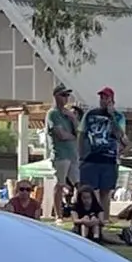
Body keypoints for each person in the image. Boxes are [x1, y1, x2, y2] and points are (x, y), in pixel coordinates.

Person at [79, 87, 129, 213]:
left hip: (109, 158)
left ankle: (105, 217)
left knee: (106, 190)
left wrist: (112, 116)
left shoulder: (118, 116)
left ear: (112, 100)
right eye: (101, 98)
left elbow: (120, 135)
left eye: (106, 98)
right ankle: (91, 215)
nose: (103, 100)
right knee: (90, 190)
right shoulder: (90, 114)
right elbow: (82, 134)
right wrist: (80, 154)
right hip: (90, 157)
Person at [47, 85, 80, 216]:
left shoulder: (67, 114)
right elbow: (60, 134)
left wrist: (73, 118)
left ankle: (78, 211)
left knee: (79, 184)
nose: (66, 98)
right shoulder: (53, 113)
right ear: (56, 96)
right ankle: (58, 214)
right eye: (63, 95)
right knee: (60, 184)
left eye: (67, 95)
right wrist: (72, 136)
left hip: (72, 154)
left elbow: (79, 131)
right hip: (61, 154)